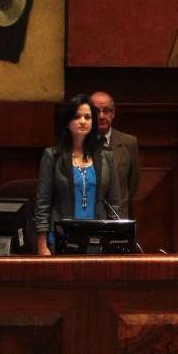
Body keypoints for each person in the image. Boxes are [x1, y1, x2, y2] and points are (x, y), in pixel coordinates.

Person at [33, 94, 122, 255]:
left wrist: (116, 243)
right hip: (62, 240)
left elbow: (114, 204)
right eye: (77, 117)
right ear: (67, 122)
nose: (83, 121)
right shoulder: (52, 156)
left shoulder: (106, 157)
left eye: (87, 117)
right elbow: (43, 204)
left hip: (98, 241)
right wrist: (42, 245)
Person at [90, 91, 140, 218]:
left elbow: (132, 184)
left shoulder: (129, 142)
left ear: (113, 113)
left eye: (106, 111)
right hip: (89, 215)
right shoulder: (81, 143)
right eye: (96, 111)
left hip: (118, 216)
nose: (101, 116)